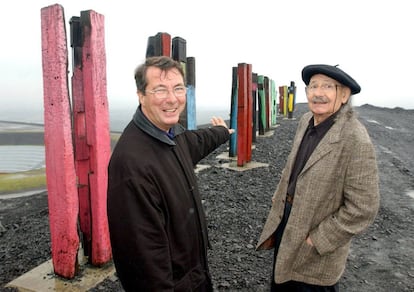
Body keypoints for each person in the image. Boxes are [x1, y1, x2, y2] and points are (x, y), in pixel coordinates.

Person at [107, 56, 233, 291]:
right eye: (160, 90)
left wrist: (222, 132)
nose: (172, 98)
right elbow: (143, 259)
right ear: (141, 95)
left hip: (194, 276)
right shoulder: (131, 164)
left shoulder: (170, 135)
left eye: (177, 88)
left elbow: (197, 141)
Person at [256, 64, 380, 291]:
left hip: (316, 238)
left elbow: (364, 208)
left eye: (327, 87)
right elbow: (292, 167)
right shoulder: (306, 121)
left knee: (307, 285)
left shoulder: (355, 139)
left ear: (343, 95)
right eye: (313, 86)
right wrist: (279, 198)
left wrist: (318, 239)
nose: (317, 93)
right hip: (287, 221)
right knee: (281, 280)